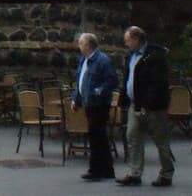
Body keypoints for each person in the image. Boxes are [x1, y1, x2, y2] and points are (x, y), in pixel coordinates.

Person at [117, 26, 176, 187]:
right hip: (134, 103)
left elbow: (157, 83)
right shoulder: (130, 56)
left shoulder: (155, 56)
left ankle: (166, 172)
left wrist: (147, 104)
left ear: (137, 39)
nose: (126, 44)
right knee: (133, 136)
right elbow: (128, 78)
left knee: (160, 140)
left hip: (153, 106)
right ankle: (134, 172)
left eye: (128, 40)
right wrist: (124, 99)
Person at [71, 32, 118, 182]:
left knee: (96, 135)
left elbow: (112, 81)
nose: (79, 46)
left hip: (99, 103)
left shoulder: (102, 60)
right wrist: (76, 99)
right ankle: (107, 169)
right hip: (89, 103)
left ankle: (96, 169)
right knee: (99, 136)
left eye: (81, 43)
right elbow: (80, 80)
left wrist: (98, 91)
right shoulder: (84, 60)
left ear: (88, 45)